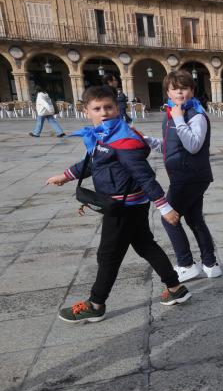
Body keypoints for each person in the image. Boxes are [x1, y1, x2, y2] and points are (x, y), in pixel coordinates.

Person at [45, 86, 190, 324]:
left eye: (109, 107)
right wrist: (66, 175)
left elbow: (145, 176)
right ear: (86, 111)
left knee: (108, 256)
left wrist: (165, 208)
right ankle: (175, 288)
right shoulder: (103, 135)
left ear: (117, 108)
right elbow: (92, 162)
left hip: (123, 207)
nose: (104, 112)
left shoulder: (123, 140)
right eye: (97, 108)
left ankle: (96, 304)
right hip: (128, 203)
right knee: (145, 245)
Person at [143, 70, 221, 283]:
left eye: (184, 88)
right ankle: (210, 264)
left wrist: (179, 118)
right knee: (194, 219)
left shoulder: (196, 115)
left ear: (192, 91)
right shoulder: (170, 114)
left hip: (189, 177)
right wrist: (147, 140)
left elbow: (193, 146)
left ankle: (186, 264)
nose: (180, 92)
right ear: (168, 91)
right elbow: (170, 147)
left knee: (168, 218)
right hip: (185, 175)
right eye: (175, 88)